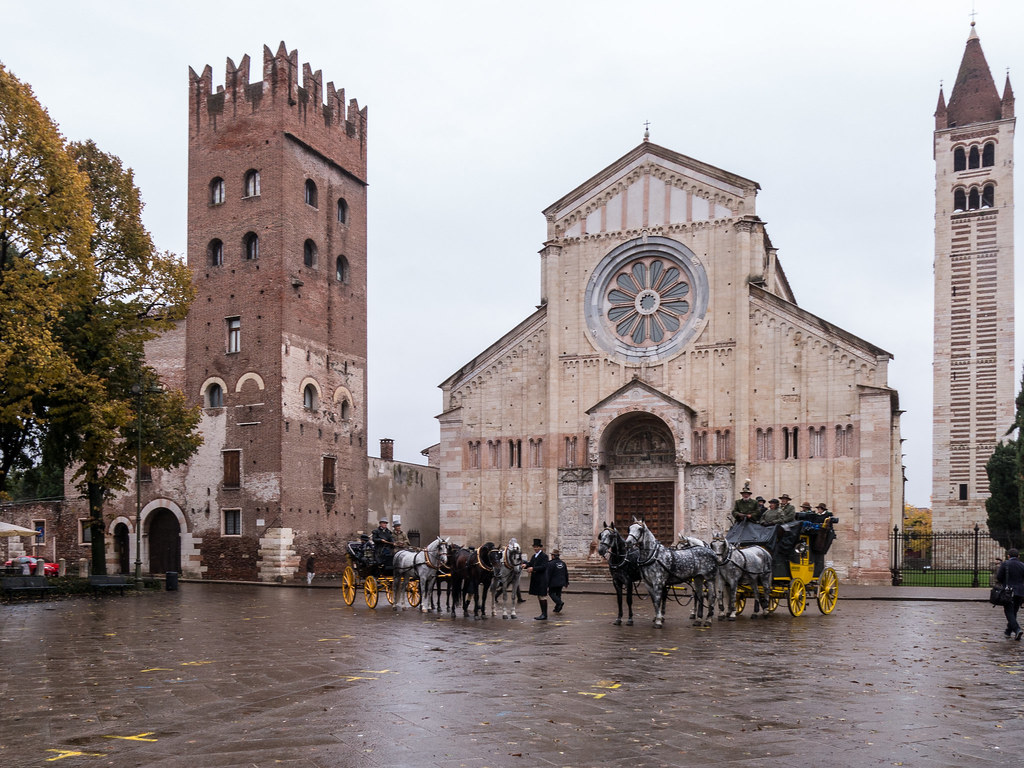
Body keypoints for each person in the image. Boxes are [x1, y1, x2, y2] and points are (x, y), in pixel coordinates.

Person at [995, 548, 1024, 640]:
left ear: (1008, 556)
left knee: (1009, 612)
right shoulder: (1022, 565)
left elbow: (999, 577)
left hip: (1008, 591)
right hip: (1020, 592)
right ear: (1018, 556)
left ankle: (1017, 629)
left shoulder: (1005, 564)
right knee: (1014, 611)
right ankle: (1008, 631)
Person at [524, 538, 550, 620]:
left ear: (540, 548)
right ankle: (542, 613)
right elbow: (530, 563)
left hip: (542, 579)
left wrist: (533, 569)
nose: (535, 548)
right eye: (534, 547)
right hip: (536, 579)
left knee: (543, 596)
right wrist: (525, 565)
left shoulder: (544, 556)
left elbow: (544, 567)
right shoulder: (534, 556)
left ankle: (544, 614)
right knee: (539, 596)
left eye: (537, 547)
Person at [547, 549, 569, 614]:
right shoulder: (563, 563)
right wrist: (566, 582)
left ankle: (559, 603)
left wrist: (546, 583)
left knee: (551, 593)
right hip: (561, 581)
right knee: (558, 594)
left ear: (553, 556)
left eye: (552, 555)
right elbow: (566, 573)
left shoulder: (550, 563)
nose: (551, 556)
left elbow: (548, 574)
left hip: (553, 582)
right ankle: (557, 608)